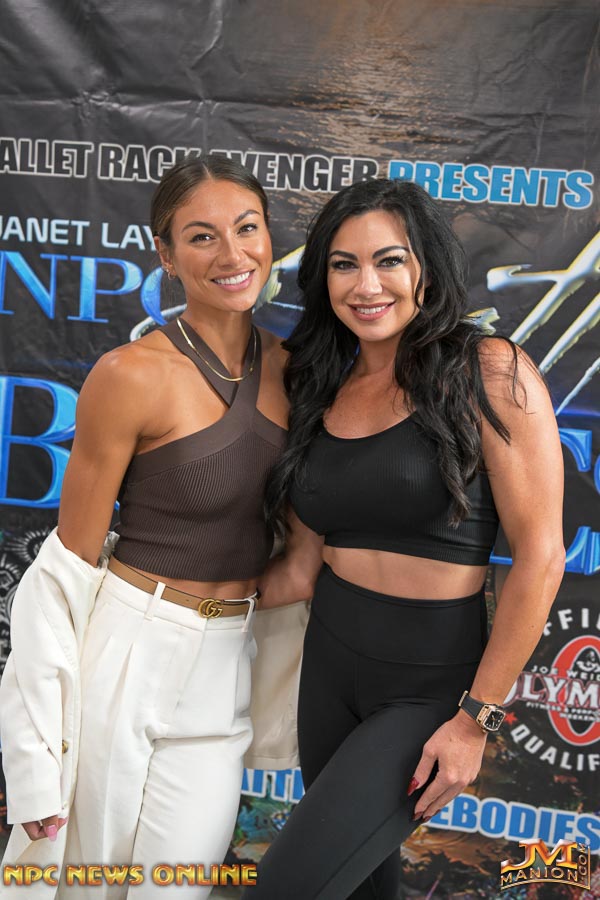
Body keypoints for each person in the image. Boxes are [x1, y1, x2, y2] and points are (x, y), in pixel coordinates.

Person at [243, 178, 565, 900]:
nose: (367, 285)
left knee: (285, 888)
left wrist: (475, 720)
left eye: (389, 260)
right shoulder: (320, 383)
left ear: (427, 267)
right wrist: (170, 597)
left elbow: (542, 559)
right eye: (344, 265)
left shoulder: (490, 370)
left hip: (427, 687)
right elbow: (298, 568)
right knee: (358, 888)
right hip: (330, 671)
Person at [0, 156, 288, 897]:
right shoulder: (130, 374)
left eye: (247, 228)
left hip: (228, 665)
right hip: (128, 651)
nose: (232, 254)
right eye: (202, 236)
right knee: (86, 885)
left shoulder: (299, 372)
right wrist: (33, 758)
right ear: (165, 253)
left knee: (177, 887)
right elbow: (63, 572)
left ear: (269, 236)